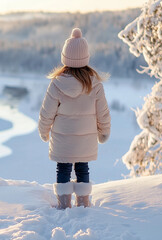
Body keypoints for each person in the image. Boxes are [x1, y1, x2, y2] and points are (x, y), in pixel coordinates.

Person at [38, 28, 111, 209]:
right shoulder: (95, 84)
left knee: (63, 168)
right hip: (85, 139)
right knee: (82, 168)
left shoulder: (56, 83)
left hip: (63, 138)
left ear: (65, 58)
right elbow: (103, 113)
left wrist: (44, 131)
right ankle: (83, 204)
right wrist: (104, 132)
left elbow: (46, 112)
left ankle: (63, 204)